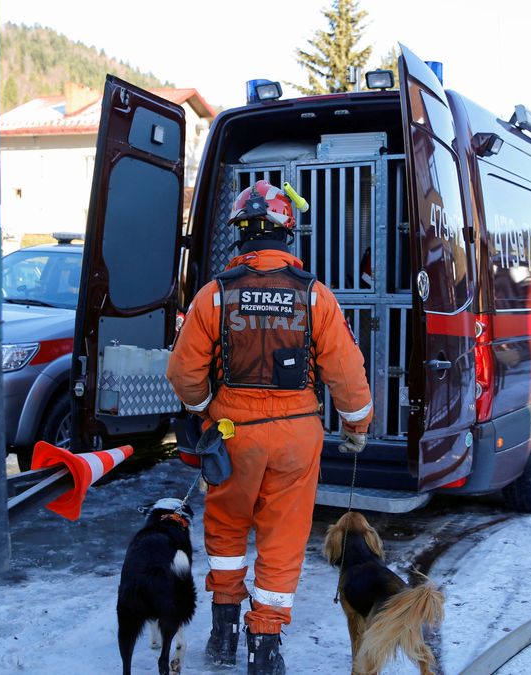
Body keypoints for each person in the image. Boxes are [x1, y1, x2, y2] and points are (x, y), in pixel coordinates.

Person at [166, 180, 372, 674]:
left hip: (233, 433)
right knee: (282, 538)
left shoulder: (213, 297)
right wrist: (357, 423)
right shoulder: (316, 297)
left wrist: (204, 408)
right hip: (296, 438)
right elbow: (345, 370)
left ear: (241, 236)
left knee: (227, 530)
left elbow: (182, 374)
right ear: (287, 234)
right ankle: (265, 648)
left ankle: (223, 633)